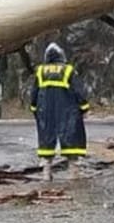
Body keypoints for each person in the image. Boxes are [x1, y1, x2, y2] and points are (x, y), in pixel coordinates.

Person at [30, 42, 91, 180]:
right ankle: (73, 173)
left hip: (45, 110)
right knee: (71, 138)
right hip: (67, 109)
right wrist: (84, 107)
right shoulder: (68, 70)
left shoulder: (40, 71)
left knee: (46, 138)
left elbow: (34, 92)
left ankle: (46, 172)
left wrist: (34, 109)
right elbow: (78, 90)